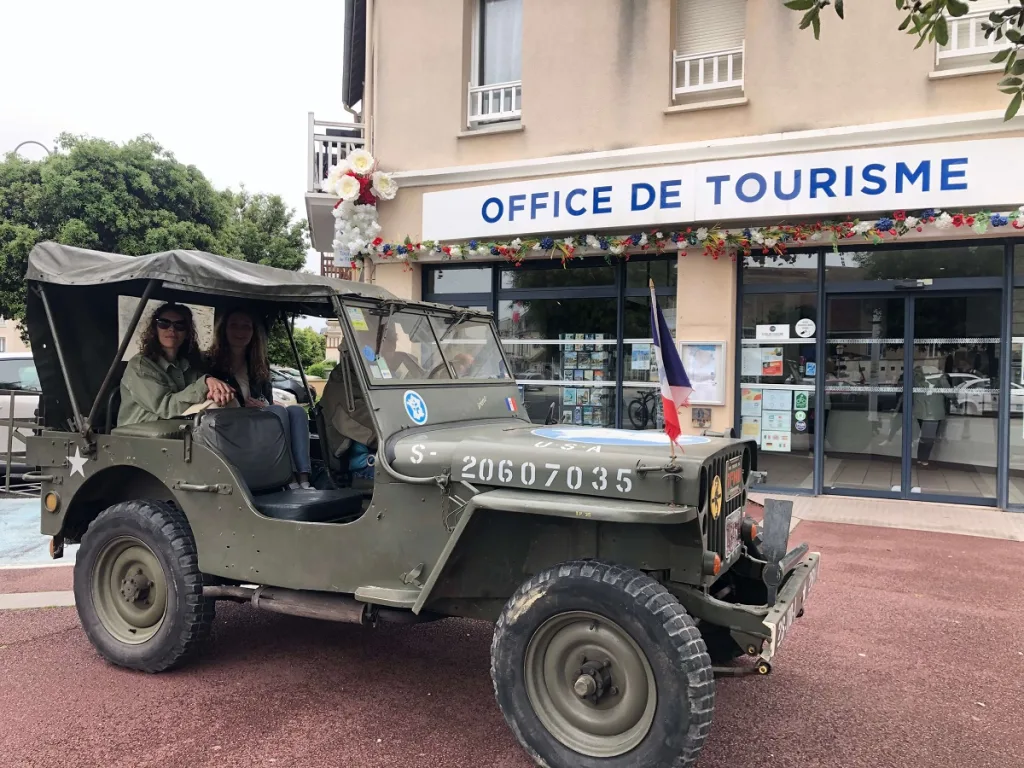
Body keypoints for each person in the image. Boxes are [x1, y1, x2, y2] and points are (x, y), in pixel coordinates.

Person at [206, 307, 313, 489]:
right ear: (224, 330)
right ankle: (289, 479)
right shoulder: (210, 362)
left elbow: (267, 400)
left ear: (253, 332)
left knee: (296, 411)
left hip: (259, 420)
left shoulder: (259, 364)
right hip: (232, 424)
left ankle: (304, 479)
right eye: (234, 326)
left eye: (246, 326)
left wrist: (262, 405)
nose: (240, 331)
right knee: (276, 412)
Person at [118, 302, 234, 426]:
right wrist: (206, 383)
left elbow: (201, 390)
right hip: (140, 431)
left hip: (174, 424)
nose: (171, 329)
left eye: (180, 325)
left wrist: (215, 391)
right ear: (155, 329)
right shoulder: (141, 365)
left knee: (229, 402)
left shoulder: (186, 364)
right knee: (213, 408)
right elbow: (165, 406)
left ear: (186, 333)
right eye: (164, 323)